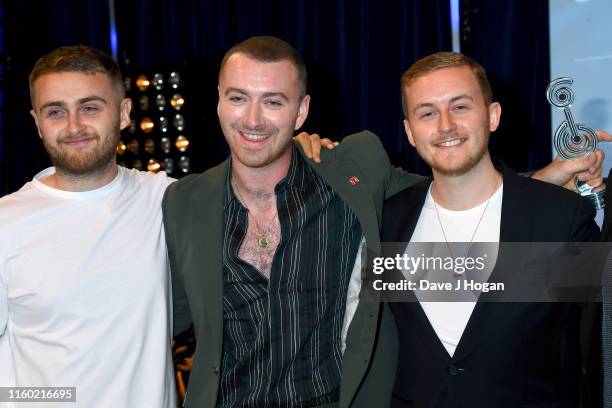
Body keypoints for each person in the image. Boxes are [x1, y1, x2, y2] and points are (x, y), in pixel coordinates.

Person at [162, 36, 606, 407]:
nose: (253, 119)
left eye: (273, 101)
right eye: (238, 98)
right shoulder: (183, 202)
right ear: (218, 101)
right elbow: (158, 313)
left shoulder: (354, 179)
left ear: (300, 112)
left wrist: (540, 186)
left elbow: (586, 341)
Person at [381, 51, 602, 407]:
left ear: (493, 116)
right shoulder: (385, 222)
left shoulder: (559, 220)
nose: (445, 126)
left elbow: (597, 341)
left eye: (460, 107)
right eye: (427, 113)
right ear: (409, 131)